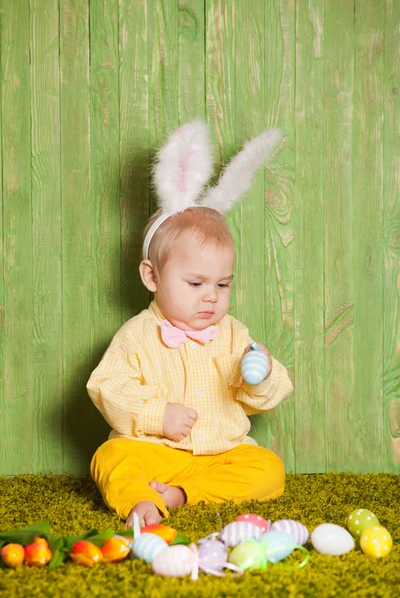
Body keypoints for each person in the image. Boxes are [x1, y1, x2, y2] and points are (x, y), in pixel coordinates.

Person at [87, 122, 293, 528]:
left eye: (222, 284)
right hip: (156, 452)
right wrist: (156, 417)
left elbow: (267, 396)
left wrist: (261, 376)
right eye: (196, 283)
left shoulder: (234, 333)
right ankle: (141, 501)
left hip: (221, 453)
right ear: (152, 277)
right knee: (109, 457)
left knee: (268, 468)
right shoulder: (137, 336)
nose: (211, 295)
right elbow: (107, 387)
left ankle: (182, 496)